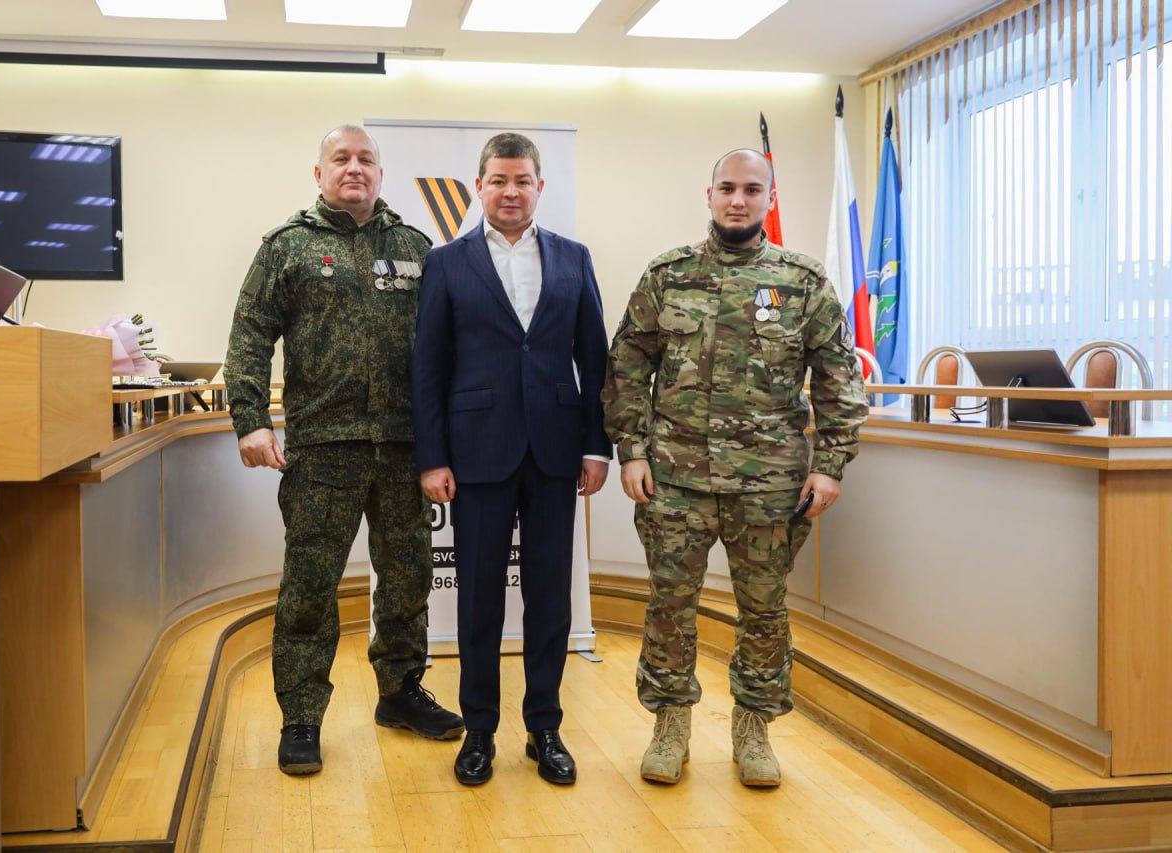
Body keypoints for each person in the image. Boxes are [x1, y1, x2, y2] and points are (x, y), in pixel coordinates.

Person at [602, 148, 867, 788]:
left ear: (769, 199)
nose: (738, 200)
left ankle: (754, 729)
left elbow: (839, 377)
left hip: (770, 484)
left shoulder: (803, 281)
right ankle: (670, 727)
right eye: (727, 188)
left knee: (764, 610)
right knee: (670, 605)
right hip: (676, 478)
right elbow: (626, 368)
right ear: (710, 195)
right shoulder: (668, 275)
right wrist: (631, 450)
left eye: (752, 189)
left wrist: (830, 465)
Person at [224, 124, 463, 777]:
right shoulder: (287, 247)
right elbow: (249, 336)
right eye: (341, 158)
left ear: (380, 173)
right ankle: (301, 715)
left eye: (365, 159)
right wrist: (251, 420)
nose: (354, 168)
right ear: (319, 172)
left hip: (405, 447)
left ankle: (401, 692)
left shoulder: (415, 247)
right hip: (323, 448)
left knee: (408, 578)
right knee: (310, 587)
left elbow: (447, 347)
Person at [411, 132, 611, 786]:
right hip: (476, 455)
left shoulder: (574, 258)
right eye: (498, 180)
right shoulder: (446, 263)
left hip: (556, 454)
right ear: (479, 186)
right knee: (478, 601)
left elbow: (594, 361)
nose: (510, 191)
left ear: (539, 187)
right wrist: (432, 458)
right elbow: (428, 368)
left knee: (550, 597)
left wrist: (596, 445)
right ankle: (479, 730)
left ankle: (544, 726)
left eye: (522, 180)